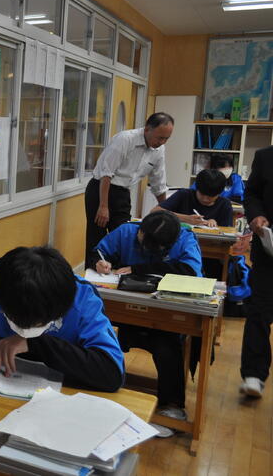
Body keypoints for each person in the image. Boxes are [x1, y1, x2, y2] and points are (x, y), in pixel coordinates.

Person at [0, 246, 125, 395]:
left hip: (55, 402)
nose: (24, 330)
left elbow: (112, 373)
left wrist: (35, 343)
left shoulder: (82, 299)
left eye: (39, 324)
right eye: (16, 321)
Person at [93, 211, 202, 437]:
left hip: (163, 314)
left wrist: (139, 269)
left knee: (167, 346)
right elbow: (98, 251)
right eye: (141, 239)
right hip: (124, 304)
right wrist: (99, 262)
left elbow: (191, 271)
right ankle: (92, 383)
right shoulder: (128, 231)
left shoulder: (185, 239)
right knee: (94, 328)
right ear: (141, 230)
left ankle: (172, 406)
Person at [85, 113, 175, 268]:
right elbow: (106, 173)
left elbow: (158, 183)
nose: (162, 142)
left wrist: (166, 213)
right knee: (97, 237)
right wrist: (103, 206)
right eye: (160, 138)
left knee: (125, 236)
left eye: (166, 139)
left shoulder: (159, 149)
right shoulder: (125, 139)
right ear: (147, 129)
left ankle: (118, 273)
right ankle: (94, 274)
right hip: (101, 189)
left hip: (122, 193)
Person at [240, 146, 273, 398]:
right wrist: (257, 215)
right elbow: (251, 194)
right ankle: (254, 374)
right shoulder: (265, 156)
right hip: (268, 248)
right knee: (259, 310)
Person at [153, 169, 233, 228]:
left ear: (219, 193)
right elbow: (155, 212)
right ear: (197, 188)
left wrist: (215, 224)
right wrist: (185, 218)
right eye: (202, 194)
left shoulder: (224, 204)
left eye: (210, 197)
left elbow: (228, 231)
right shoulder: (184, 195)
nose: (205, 199)